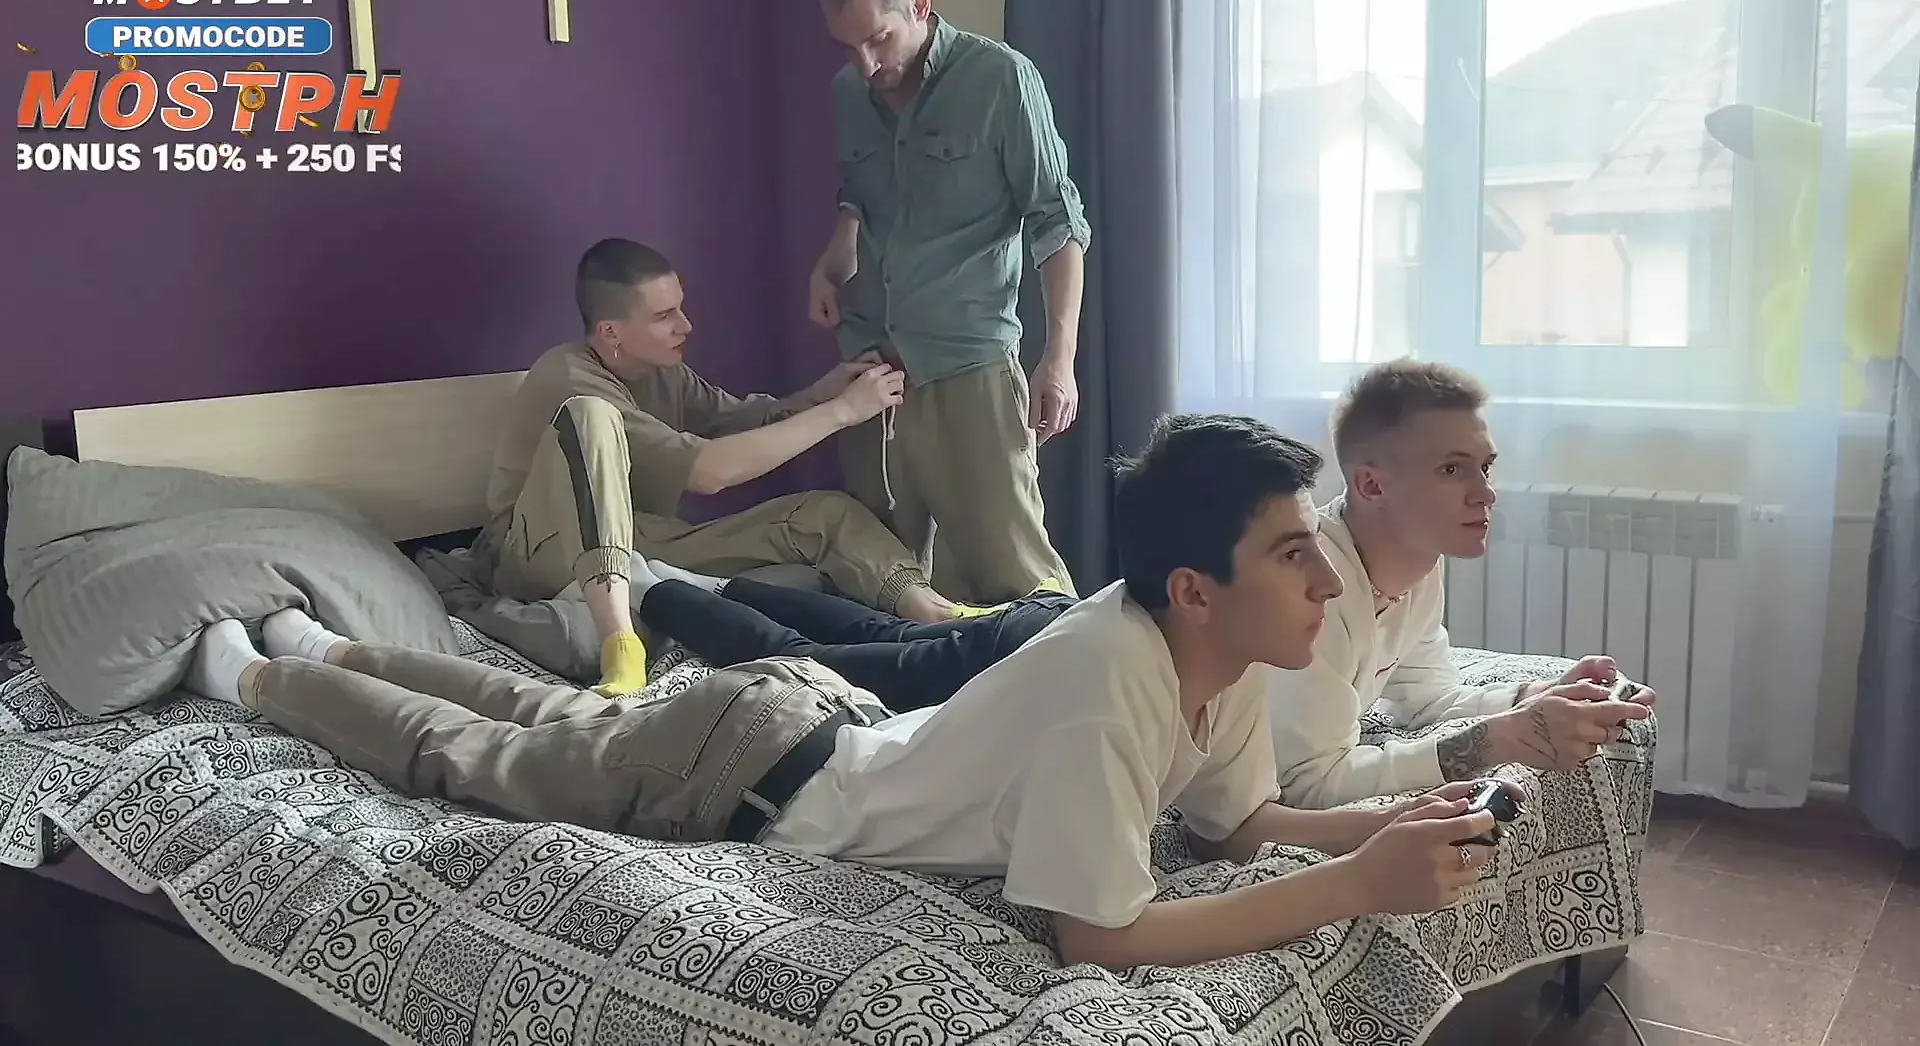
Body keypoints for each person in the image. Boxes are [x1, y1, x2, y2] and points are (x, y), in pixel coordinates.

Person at [182, 414, 1516, 971]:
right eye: (1293, 555)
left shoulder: (1209, 662)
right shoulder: (1118, 677)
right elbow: (1097, 938)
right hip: (756, 771)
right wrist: (1357, 884)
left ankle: (329, 648)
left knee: (551, 718)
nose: (1328, 580)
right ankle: (259, 670)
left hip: (802, 718)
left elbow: (1234, 831)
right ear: (1194, 587)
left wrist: (1385, 829)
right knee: (481, 760)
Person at [470, 237, 992, 699]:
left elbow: (742, 420)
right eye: (664, 316)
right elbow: (708, 472)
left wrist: (823, 392)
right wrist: (843, 412)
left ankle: (932, 612)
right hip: (535, 550)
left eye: (681, 307)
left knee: (823, 514)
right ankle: (619, 643)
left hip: (640, 539)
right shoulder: (567, 374)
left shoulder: (663, 373)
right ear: (611, 332)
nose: (685, 325)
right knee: (591, 415)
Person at [1264, 359, 1658, 808]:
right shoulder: (1311, 589)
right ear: (1372, 485)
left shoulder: (1418, 562)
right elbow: (1307, 785)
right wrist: (1495, 740)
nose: (1486, 494)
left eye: (1485, 467)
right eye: (1451, 470)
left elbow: (1425, 697)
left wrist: (1535, 697)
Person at [809, 0, 1085, 604]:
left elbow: (1058, 220)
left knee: (1018, 581)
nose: (865, 63)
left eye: (878, 39)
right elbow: (860, 193)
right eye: (847, 46)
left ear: (920, 3)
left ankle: (1077, 670)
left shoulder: (1001, 79)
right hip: (870, 371)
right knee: (884, 584)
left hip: (968, 366)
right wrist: (833, 257)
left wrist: (1060, 359)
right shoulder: (849, 92)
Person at [622, 556, 1075, 710]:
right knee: (809, 662)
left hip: (1055, 617)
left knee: (887, 632)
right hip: (1036, 655)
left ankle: (709, 587)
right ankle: (652, 593)